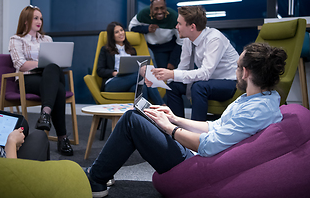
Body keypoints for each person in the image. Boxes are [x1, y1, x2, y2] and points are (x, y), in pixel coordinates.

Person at [84, 42, 287, 197]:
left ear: (245, 72)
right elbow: (215, 126)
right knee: (141, 114)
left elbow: (208, 146)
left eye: (236, 67)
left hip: (196, 165)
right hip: (201, 155)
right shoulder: (260, 99)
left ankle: (95, 178)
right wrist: (175, 119)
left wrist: (170, 130)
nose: (235, 72)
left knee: (131, 119)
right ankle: (101, 170)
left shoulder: (254, 110)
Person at [151, 5, 239, 121]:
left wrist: (172, 74)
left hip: (229, 82)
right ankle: (176, 126)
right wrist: (161, 77)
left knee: (198, 86)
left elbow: (205, 73)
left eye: (180, 24)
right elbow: (183, 68)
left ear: (192, 27)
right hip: (208, 81)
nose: (176, 27)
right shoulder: (188, 40)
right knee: (173, 85)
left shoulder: (214, 39)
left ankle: (196, 130)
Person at [8, 5, 73, 156]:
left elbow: (55, 61)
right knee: (58, 88)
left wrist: (48, 64)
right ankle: (62, 138)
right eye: (35, 18)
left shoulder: (47, 39)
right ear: (26, 21)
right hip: (28, 79)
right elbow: (21, 65)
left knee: (52, 69)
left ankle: (45, 114)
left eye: (41, 18)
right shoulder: (16, 39)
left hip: (48, 77)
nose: (39, 21)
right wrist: (42, 63)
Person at [97, 21, 164, 105]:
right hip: (113, 83)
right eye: (116, 32)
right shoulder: (105, 50)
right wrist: (115, 73)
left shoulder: (131, 50)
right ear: (112, 36)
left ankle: (144, 114)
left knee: (143, 87)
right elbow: (100, 70)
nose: (121, 33)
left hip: (131, 81)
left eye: (121, 30)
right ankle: (162, 106)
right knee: (141, 75)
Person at [128, 0, 183, 70]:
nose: (160, 11)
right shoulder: (144, 14)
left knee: (170, 71)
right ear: (151, 8)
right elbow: (131, 28)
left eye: (162, 8)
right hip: (152, 48)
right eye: (156, 9)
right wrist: (146, 28)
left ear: (166, 7)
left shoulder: (173, 16)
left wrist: (172, 61)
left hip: (171, 47)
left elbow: (181, 41)